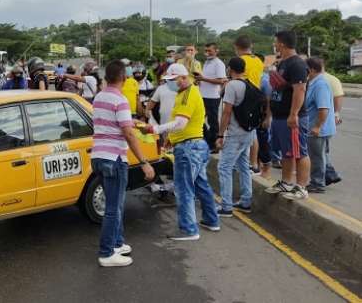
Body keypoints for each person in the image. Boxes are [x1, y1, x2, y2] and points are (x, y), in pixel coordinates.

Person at [143, 63, 220, 240]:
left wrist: (156, 129)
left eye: (173, 80)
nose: (170, 83)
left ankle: (188, 229)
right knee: (201, 185)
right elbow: (181, 123)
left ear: (183, 77)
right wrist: (171, 138)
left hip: (189, 148)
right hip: (195, 145)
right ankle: (211, 220)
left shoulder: (187, 95)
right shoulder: (184, 93)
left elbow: (180, 123)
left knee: (184, 189)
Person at [92, 60, 155, 267]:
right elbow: (127, 133)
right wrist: (144, 162)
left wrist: (134, 124)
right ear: (124, 78)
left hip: (98, 156)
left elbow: (115, 123)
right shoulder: (120, 100)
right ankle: (106, 253)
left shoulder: (99, 97)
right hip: (114, 158)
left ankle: (117, 243)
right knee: (113, 208)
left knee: (115, 205)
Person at [265, 31, 311, 200]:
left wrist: (294, 114)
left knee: (300, 152)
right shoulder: (283, 63)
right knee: (287, 152)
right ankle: (286, 182)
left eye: (276, 42)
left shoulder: (297, 64)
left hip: (290, 117)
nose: (275, 45)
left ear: (282, 44)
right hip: (279, 117)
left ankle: (301, 187)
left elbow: (300, 90)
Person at [215, 57, 255, 217]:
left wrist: (220, 134)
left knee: (224, 167)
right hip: (248, 132)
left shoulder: (232, 86)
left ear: (230, 69)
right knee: (243, 165)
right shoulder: (249, 84)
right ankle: (246, 201)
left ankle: (226, 206)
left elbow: (226, 112)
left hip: (235, 134)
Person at [305, 58, 337, 193]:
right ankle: (329, 176)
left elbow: (323, 108)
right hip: (315, 126)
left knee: (316, 157)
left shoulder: (320, 85)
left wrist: (318, 126)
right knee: (321, 154)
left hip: (318, 128)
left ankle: (317, 183)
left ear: (312, 70)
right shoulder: (313, 83)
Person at [234, 35, 265, 171]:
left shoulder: (239, 60)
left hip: (242, 98)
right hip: (256, 97)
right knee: (253, 132)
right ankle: (254, 164)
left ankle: (239, 162)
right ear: (250, 46)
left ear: (236, 47)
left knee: (237, 131)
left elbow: (236, 79)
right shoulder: (258, 60)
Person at [197, 43, 227, 152]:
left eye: (210, 50)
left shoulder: (219, 64)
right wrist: (199, 80)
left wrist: (203, 79)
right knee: (199, 119)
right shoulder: (206, 62)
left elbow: (222, 80)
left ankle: (214, 144)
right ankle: (208, 140)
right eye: (206, 51)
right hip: (203, 94)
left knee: (213, 121)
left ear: (216, 50)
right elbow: (205, 78)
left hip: (213, 96)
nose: (207, 53)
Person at [321, 65, 343, 185]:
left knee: (321, 149)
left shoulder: (328, 80)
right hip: (324, 120)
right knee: (323, 148)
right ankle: (329, 173)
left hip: (323, 120)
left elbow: (338, 97)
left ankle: (329, 173)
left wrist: (335, 115)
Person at [255, 54, 274, 179]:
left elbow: (269, 100)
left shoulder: (265, 80)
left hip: (262, 115)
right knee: (254, 141)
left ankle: (266, 167)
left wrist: (267, 118)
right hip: (252, 115)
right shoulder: (252, 77)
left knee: (262, 141)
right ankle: (257, 166)